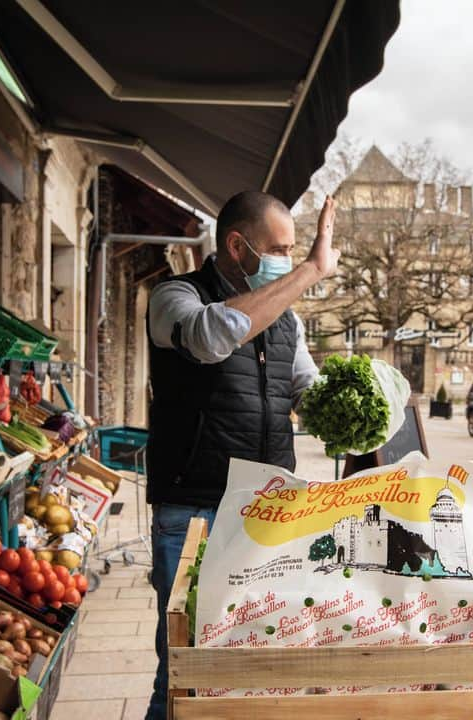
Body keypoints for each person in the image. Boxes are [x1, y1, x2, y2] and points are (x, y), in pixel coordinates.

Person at [143, 190, 338, 719]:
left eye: (295, 249)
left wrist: (357, 410)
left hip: (267, 513)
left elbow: (306, 388)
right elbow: (212, 338)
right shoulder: (173, 298)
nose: (288, 259)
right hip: (193, 510)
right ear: (237, 245)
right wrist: (310, 270)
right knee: (183, 666)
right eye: (281, 248)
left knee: (253, 657)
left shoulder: (286, 320)